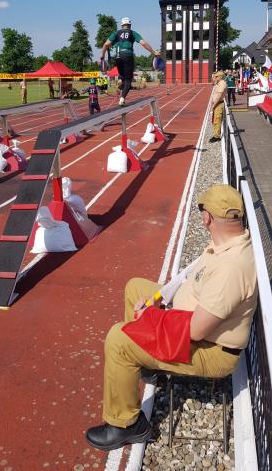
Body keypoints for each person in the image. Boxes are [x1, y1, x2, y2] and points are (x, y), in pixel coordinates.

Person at [86, 184, 257, 451]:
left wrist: (153, 317)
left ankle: (127, 424)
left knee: (118, 339)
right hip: (190, 320)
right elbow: (186, 282)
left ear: (207, 217)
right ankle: (150, 366)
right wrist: (158, 303)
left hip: (211, 349)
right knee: (135, 288)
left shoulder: (231, 268)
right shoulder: (230, 241)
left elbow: (196, 331)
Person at [101, 17, 160, 106]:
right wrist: (153, 52)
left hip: (118, 57)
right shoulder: (132, 33)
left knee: (122, 74)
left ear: (122, 25)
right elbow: (143, 43)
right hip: (128, 56)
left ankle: (120, 79)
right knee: (128, 80)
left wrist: (102, 55)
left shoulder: (116, 33)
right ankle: (122, 98)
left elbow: (106, 44)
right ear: (130, 25)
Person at [209, 71, 227, 143]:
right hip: (217, 103)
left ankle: (217, 136)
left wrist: (213, 105)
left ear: (220, 77)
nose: (215, 78)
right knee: (215, 120)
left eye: (216, 76)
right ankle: (216, 134)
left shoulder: (222, 83)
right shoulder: (219, 83)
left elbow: (219, 95)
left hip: (218, 104)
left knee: (217, 120)